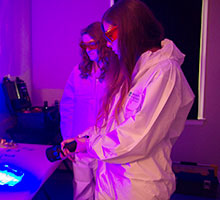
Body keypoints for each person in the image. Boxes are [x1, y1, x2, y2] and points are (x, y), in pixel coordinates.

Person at [61, 0, 195, 199]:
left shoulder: (164, 72)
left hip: (138, 186)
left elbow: (138, 137)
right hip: (111, 179)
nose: (108, 43)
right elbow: (110, 124)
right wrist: (82, 138)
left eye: (111, 35)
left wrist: (89, 145)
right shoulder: (133, 72)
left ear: (132, 30)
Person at [60, 22, 117, 200]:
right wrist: (68, 141)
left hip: (104, 145)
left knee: (105, 192)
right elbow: (67, 108)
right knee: (82, 189)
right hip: (79, 143)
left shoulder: (115, 71)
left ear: (102, 42)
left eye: (92, 44)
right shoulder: (78, 72)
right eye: (85, 45)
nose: (88, 49)